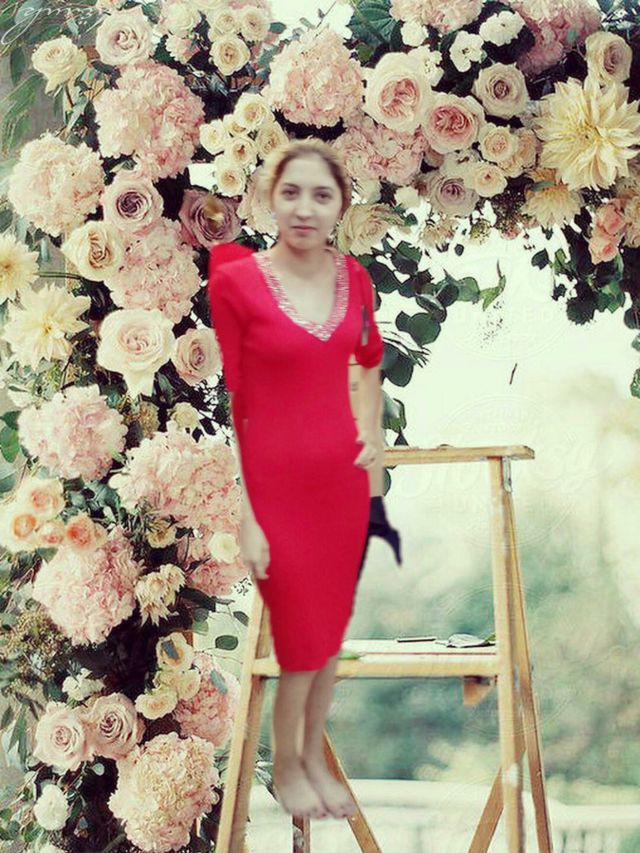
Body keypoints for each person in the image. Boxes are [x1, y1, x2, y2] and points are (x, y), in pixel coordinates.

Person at [207, 138, 400, 822]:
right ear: (269, 198)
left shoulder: (356, 279)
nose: (305, 208)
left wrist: (371, 436)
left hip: (339, 488)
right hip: (275, 489)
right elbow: (237, 402)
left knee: (328, 636)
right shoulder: (238, 282)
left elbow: (369, 361)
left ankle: (314, 756)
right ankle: (287, 766)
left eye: (321, 195)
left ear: (342, 204)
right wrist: (249, 514)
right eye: (291, 193)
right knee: (297, 636)